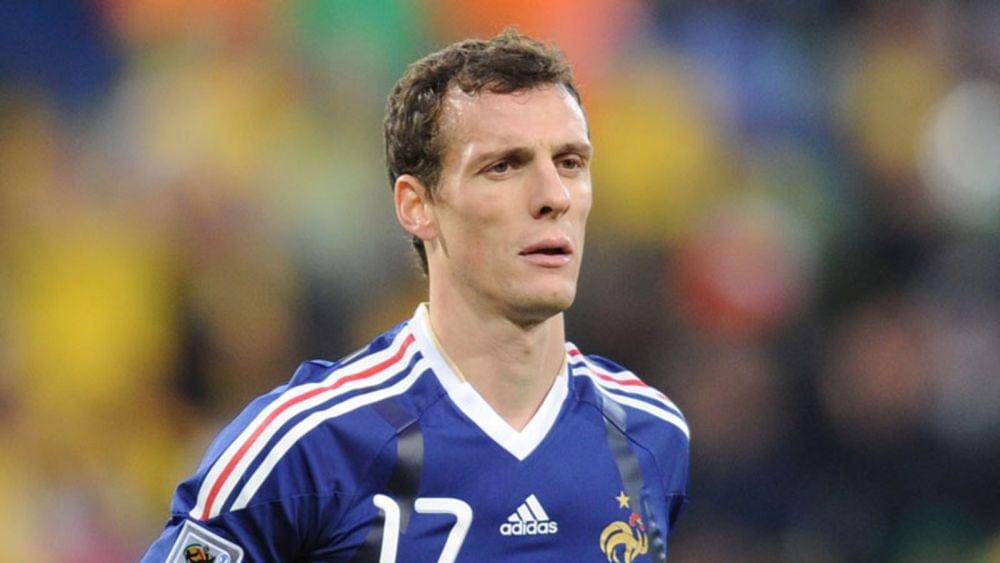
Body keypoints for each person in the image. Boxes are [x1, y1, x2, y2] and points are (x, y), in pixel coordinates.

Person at [143, 29, 689, 563]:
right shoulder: (306, 446)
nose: (554, 196)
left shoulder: (650, 435)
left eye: (570, 163)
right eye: (503, 166)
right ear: (416, 206)